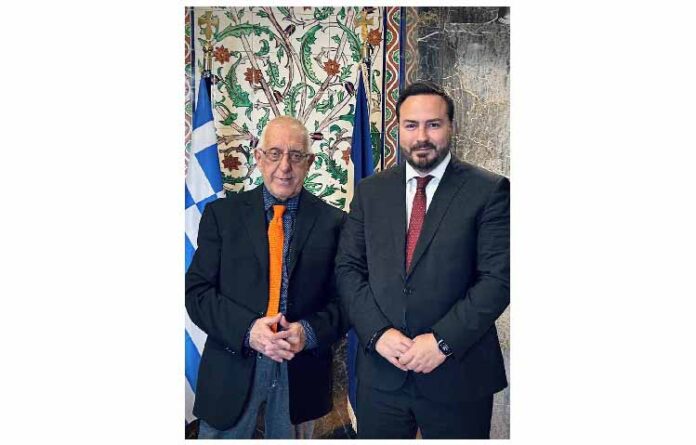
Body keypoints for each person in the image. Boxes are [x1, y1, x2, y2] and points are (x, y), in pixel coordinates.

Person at [336, 81, 509, 439]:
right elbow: (348, 269)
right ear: (398, 128)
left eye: (434, 124)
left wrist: (443, 342)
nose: (422, 137)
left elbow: (499, 280)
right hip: (382, 375)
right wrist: (378, 333)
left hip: (458, 373)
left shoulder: (489, 190)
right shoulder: (370, 191)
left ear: (451, 127)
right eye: (411, 125)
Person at [186, 116, 346, 439]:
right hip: (231, 369)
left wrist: (308, 333)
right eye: (274, 154)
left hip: (300, 375)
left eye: (296, 156)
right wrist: (249, 331)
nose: (284, 167)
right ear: (258, 158)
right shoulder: (222, 216)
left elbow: (347, 302)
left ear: (309, 162)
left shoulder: (336, 223)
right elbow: (197, 293)